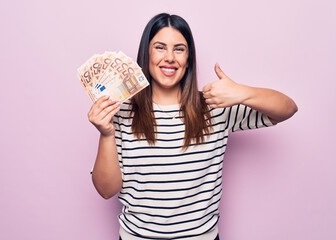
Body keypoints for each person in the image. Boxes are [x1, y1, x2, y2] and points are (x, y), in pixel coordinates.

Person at [87, 13, 298, 240]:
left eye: (179, 49)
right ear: (146, 53)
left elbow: (287, 108)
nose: (169, 57)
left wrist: (242, 93)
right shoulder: (121, 110)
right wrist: (106, 133)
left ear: (188, 59)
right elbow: (106, 190)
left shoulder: (214, 107)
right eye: (160, 47)